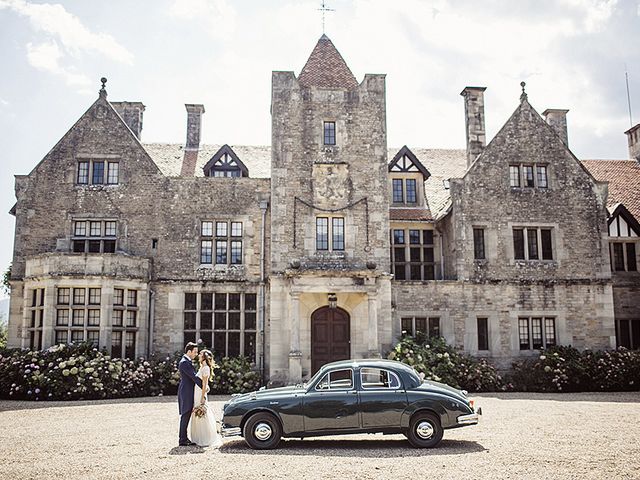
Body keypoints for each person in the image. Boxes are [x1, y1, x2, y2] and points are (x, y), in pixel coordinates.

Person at [190, 349, 223, 447]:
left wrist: (203, 396)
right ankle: (197, 437)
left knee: (201, 413)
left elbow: (205, 384)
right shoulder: (202, 367)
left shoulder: (206, 368)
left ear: (204, 357)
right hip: (197, 392)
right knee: (197, 413)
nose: (198, 355)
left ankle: (204, 438)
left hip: (200, 393)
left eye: (200, 354)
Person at [177, 342, 203, 446]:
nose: (196, 354)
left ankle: (184, 438)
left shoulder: (186, 362)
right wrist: (204, 387)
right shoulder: (184, 362)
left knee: (187, 415)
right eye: (195, 352)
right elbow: (193, 377)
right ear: (189, 351)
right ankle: (182, 440)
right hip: (186, 392)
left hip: (187, 390)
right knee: (185, 414)